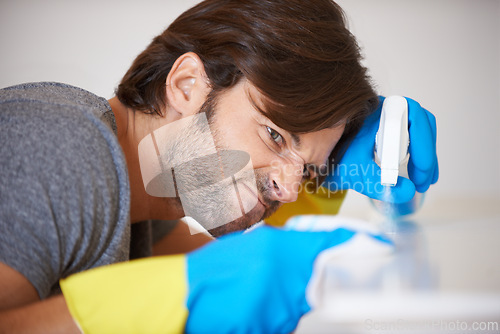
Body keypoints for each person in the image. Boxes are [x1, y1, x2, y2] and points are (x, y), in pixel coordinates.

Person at [0, 0, 438, 332]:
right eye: (274, 134)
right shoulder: (61, 151)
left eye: (306, 170)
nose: (290, 189)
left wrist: (336, 178)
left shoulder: (144, 199)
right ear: (187, 86)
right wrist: (170, 297)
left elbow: (238, 276)